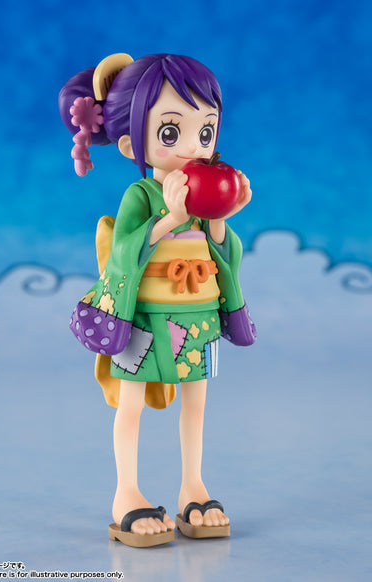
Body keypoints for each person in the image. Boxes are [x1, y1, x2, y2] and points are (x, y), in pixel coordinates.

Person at [59, 53, 256, 547]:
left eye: (205, 132)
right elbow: (125, 250)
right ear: (131, 144)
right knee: (131, 406)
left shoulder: (203, 190)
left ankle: (194, 486)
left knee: (197, 403)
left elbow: (222, 253)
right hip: (145, 317)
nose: (193, 147)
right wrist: (169, 217)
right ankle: (126, 493)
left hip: (198, 314)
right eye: (171, 132)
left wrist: (221, 214)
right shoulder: (143, 195)